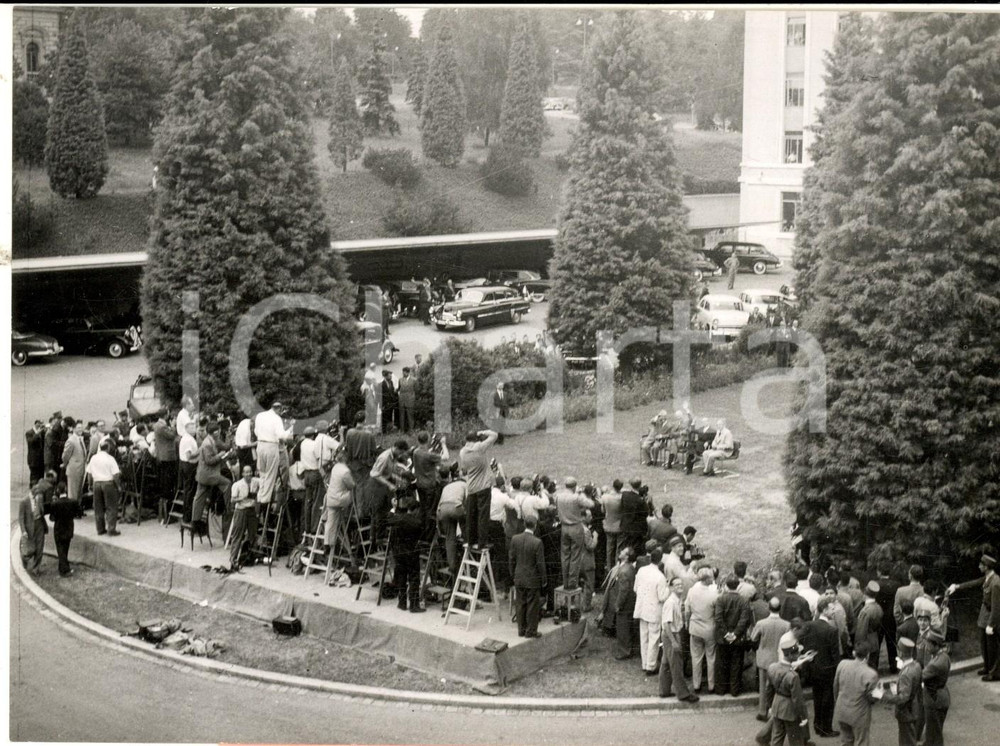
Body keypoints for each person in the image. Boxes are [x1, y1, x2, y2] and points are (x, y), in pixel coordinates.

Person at [946, 551, 999, 681]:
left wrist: (992, 624)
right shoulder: (988, 578)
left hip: (991, 617)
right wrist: (957, 586)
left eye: (981, 565)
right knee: (984, 644)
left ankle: (995, 673)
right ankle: (987, 667)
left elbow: (997, 607)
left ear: (987, 567)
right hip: (984, 615)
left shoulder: (996, 583)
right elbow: (974, 583)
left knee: (992, 647)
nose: (979, 566)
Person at [801, 596, 842, 738]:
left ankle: (817, 725)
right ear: (824, 610)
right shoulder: (832, 630)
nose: (834, 611)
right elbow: (835, 655)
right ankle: (826, 728)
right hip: (827, 670)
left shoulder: (809, 625)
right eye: (832, 609)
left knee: (817, 697)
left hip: (813, 668)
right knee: (828, 699)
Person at [764, 631, 811, 746]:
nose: (797, 655)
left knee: (777, 737)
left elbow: (768, 690)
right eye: (796, 654)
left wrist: (770, 706)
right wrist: (803, 717)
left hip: (776, 706)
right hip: (790, 711)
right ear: (790, 655)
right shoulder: (793, 676)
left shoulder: (772, 667)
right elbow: (798, 700)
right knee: (795, 740)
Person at [877, 637, 923, 746]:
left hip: (906, 713)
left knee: (906, 742)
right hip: (915, 709)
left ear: (900, 652)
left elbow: (903, 698)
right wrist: (897, 689)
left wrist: (882, 695)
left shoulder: (906, 673)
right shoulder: (916, 665)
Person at [659, 575, 699, 702]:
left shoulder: (677, 600)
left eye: (681, 584)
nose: (680, 586)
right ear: (671, 588)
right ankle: (683, 694)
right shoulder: (670, 603)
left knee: (666, 663)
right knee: (676, 665)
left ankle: (664, 690)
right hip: (672, 634)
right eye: (676, 585)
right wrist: (674, 641)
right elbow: (666, 624)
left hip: (672, 634)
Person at [832, 641, 880, 746]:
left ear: (854, 653)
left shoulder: (842, 664)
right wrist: (880, 693)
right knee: (861, 741)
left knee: (845, 741)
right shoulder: (871, 674)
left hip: (842, 710)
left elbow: (835, 686)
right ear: (868, 655)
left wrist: (838, 701)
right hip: (859, 714)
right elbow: (872, 698)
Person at [752, 596, 791, 721]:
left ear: (769, 608)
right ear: (780, 609)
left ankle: (762, 711)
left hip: (764, 658)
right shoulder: (786, 624)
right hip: (778, 658)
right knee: (776, 686)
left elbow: (753, 638)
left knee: (763, 686)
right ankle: (775, 711)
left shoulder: (761, 623)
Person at [459, 429, 498, 551]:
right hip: (483, 486)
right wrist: (483, 432)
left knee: (471, 515)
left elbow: (464, 468)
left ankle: (470, 540)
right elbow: (494, 435)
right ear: (476, 439)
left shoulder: (462, 452)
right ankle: (482, 542)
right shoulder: (480, 448)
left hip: (471, 487)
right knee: (483, 515)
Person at [633, 546, 669, 675]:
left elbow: (635, 588)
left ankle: (644, 663)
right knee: (653, 638)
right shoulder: (660, 577)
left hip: (642, 608)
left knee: (644, 636)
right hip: (653, 611)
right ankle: (650, 665)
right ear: (659, 561)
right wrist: (668, 589)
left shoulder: (642, 570)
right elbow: (661, 597)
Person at [555, 477, 595, 591]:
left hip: (564, 526)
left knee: (565, 555)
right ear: (574, 486)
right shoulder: (576, 497)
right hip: (575, 526)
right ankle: (572, 582)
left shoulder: (559, 495)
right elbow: (591, 504)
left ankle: (565, 581)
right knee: (575, 556)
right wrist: (581, 494)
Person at [387, 494, 425, 613]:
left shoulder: (398, 518)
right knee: (414, 578)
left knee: (402, 577)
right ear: (415, 510)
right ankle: (414, 605)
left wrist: (393, 508)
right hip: (412, 553)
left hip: (399, 553)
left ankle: (402, 603)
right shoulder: (416, 522)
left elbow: (389, 517)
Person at [715, 574, 752, 696]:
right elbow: (744, 619)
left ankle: (721, 689)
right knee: (736, 664)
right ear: (738, 585)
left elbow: (718, 618)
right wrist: (735, 634)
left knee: (722, 664)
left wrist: (726, 633)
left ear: (726, 585)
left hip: (723, 637)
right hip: (738, 637)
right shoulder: (744, 600)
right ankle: (734, 690)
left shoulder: (721, 599)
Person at [509, 516, 546, 637]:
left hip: (519, 576)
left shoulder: (515, 539)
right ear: (535, 526)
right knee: (532, 606)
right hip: (532, 578)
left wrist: (513, 574)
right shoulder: (537, 542)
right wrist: (544, 579)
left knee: (520, 604)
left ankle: (521, 630)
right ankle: (530, 631)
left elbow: (511, 559)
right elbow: (541, 564)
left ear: (525, 524)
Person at [193, 421, 231, 534]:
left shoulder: (210, 440)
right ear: (214, 432)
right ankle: (229, 508)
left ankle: (195, 521)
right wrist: (220, 456)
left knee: (199, 497)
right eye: (218, 431)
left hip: (203, 474)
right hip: (209, 474)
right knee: (227, 484)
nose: (219, 432)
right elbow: (209, 460)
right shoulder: (208, 443)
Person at [686, 565, 720, 693]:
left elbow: (687, 609)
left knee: (696, 658)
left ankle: (696, 685)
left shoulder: (691, 591)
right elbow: (717, 613)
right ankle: (711, 685)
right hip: (709, 629)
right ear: (706, 579)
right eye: (711, 577)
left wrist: (687, 622)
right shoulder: (714, 594)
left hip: (695, 627)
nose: (713, 579)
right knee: (711, 657)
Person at [255, 400, 294, 507]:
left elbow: (256, 432)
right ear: (279, 409)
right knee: (270, 474)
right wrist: (290, 430)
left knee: (262, 473)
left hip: (260, 444)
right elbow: (282, 435)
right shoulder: (276, 418)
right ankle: (264, 502)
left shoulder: (260, 415)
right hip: (270, 445)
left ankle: (260, 497)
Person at [920, 631, 950, 746]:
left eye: (928, 644)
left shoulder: (935, 664)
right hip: (941, 696)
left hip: (934, 700)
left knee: (935, 734)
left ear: (936, 645)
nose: (926, 647)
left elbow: (920, 676)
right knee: (933, 731)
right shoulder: (944, 656)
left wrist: (906, 666)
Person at [228, 465, 260, 570]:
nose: (248, 474)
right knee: (237, 535)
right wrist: (243, 497)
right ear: (242, 474)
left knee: (252, 535)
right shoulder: (237, 485)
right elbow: (232, 500)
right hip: (241, 510)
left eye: (250, 472)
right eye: (246, 472)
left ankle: (249, 557)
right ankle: (233, 559)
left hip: (251, 511)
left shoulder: (255, 482)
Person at [87, 440, 122, 536]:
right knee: (111, 507)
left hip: (96, 483)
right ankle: (111, 529)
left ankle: (100, 529)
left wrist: (90, 484)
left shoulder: (93, 458)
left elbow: (89, 473)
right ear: (108, 448)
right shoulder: (110, 459)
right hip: (108, 483)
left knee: (98, 507)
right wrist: (118, 486)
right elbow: (116, 474)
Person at [436, 474, 467, 581]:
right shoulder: (464, 485)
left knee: (450, 538)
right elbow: (467, 502)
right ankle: (467, 545)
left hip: (442, 510)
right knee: (466, 528)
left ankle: (452, 566)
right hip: (456, 507)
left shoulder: (447, 487)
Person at [48, 479, 80, 577]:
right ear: (66, 489)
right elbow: (77, 513)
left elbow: (52, 518)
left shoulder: (55, 504)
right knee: (65, 548)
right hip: (69, 527)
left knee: (60, 549)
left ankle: (64, 569)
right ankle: (63, 568)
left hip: (59, 529)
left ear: (57, 490)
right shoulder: (73, 502)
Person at [153, 412, 180, 524]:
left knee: (165, 484)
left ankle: (165, 513)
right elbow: (172, 435)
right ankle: (167, 514)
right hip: (167, 457)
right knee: (168, 484)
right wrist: (173, 425)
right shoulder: (162, 426)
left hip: (162, 456)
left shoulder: (157, 425)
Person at [614, 547, 638, 660]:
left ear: (627, 556)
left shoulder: (623, 571)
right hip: (631, 602)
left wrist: (618, 604)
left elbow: (623, 591)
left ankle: (624, 651)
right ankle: (629, 648)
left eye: (623, 551)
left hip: (625, 603)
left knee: (622, 628)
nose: (620, 552)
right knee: (628, 626)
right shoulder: (631, 568)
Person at [19, 483, 49, 571]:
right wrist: (23, 531)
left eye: (38, 488)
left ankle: (36, 569)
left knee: (40, 547)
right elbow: (21, 518)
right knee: (30, 550)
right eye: (36, 488)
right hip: (29, 527)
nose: (38, 490)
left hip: (39, 524)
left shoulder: (40, 498)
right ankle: (24, 558)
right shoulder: (24, 501)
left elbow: (42, 511)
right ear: (31, 488)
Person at [411, 431, 443, 513]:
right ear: (428, 440)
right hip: (429, 485)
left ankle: (423, 524)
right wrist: (444, 445)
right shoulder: (430, 456)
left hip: (420, 484)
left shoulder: (415, 452)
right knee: (430, 509)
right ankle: (428, 525)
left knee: (423, 507)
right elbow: (443, 457)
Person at [855, 581, 884, 670]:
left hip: (866, 643)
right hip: (874, 640)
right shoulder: (878, 607)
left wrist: (857, 646)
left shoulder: (865, 611)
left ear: (865, 594)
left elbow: (861, 631)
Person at [619, 478, 650, 557]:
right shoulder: (640, 501)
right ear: (640, 485)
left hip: (625, 526)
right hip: (636, 530)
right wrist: (645, 502)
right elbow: (646, 513)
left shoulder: (625, 495)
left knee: (625, 547)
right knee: (635, 550)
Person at [62, 420, 88, 502]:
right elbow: (65, 456)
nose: (81, 429)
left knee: (79, 492)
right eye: (78, 428)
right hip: (74, 470)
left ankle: (78, 510)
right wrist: (67, 464)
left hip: (81, 469)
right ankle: (72, 511)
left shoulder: (80, 439)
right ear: (73, 429)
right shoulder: (71, 440)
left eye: (81, 428)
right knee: (73, 493)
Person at [600, 480, 623, 572]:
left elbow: (603, 511)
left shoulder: (605, 497)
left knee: (609, 549)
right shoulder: (622, 497)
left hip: (609, 525)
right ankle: (617, 569)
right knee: (619, 549)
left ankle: (609, 569)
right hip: (619, 526)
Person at [26, 420, 46, 486]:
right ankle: (33, 489)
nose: (40, 426)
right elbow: (30, 442)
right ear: (36, 424)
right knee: (34, 476)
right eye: (39, 424)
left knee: (41, 475)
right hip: (33, 459)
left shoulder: (42, 433)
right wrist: (37, 433)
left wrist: (45, 431)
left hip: (41, 459)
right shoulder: (29, 432)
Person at [397, 367, 416, 432]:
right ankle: (402, 430)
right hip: (402, 400)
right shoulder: (400, 380)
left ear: (408, 372)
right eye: (403, 372)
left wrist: (412, 398)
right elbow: (399, 389)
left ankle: (411, 430)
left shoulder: (414, 380)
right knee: (401, 416)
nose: (403, 374)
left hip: (410, 400)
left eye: (404, 372)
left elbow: (416, 389)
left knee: (410, 415)